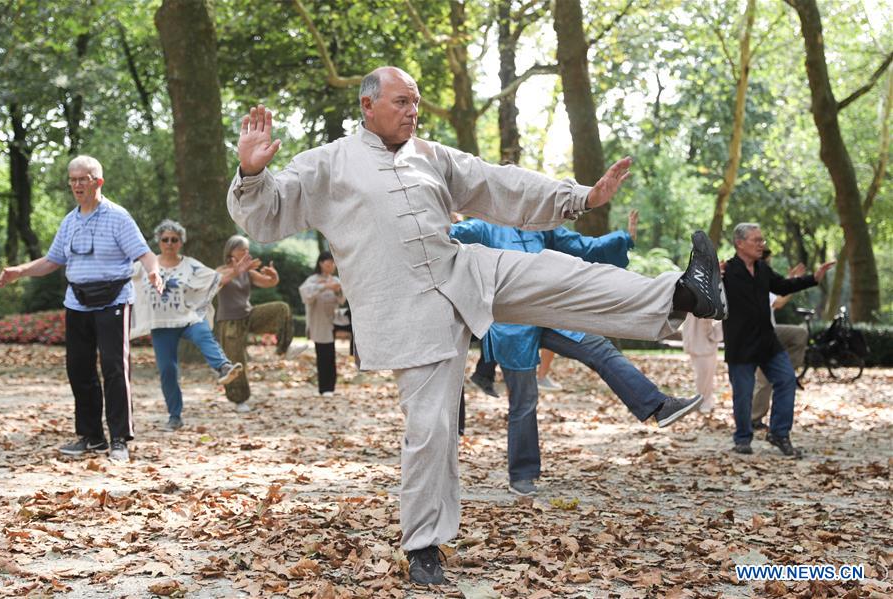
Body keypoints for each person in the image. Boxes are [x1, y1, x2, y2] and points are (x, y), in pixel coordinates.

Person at [226, 66, 725, 585]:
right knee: (432, 429)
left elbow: (500, 184)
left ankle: (685, 294)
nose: (412, 111)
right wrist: (252, 173)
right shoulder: (328, 164)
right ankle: (423, 548)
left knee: (561, 274)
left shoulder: (431, 155)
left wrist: (581, 197)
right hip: (407, 311)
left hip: (462, 269)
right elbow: (266, 217)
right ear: (367, 106)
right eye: (401, 102)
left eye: (416, 102)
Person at [450, 214, 702, 496]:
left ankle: (658, 406)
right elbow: (445, 236)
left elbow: (584, 246)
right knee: (524, 400)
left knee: (600, 349)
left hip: (551, 312)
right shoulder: (483, 228)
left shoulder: (541, 226)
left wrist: (623, 238)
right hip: (513, 326)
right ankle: (522, 474)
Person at [0, 155, 163, 462]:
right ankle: (92, 437)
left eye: (82, 179)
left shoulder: (118, 217)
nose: (76, 185)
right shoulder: (70, 221)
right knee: (79, 368)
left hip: (113, 301)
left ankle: (119, 439)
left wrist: (153, 271)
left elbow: (145, 253)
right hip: (77, 303)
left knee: (114, 367)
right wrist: (20, 270)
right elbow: (52, 261)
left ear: (97, 181)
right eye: (72, 180)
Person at [723, 223, 833, 458]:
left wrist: (813, 278)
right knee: (743, 394)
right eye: (756, 240)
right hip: (740, 344)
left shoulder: (763, 269)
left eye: (762, 240)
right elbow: (705, 295)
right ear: (740, 243)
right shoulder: (726, 271)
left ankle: (779, 433)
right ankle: (742, 438)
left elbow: (783, 286)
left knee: (786, 380)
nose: (762, 244)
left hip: (767, 341)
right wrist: (711, 274)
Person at [130, 220, 244, 431]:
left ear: (181, 242)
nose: (170, 243)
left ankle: (223, 367)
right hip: (161, 325)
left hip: (187, 317)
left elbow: (214, 279)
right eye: (165, 239)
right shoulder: (146, 264)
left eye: (174, 239)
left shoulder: (190, 265)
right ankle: (175, 416)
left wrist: (235, 272)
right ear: (159, 241)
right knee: (167, 371)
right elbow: (123, 277)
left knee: (203, 333)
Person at [213, 235, 305, 413]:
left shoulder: (248, 272)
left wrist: (274, 276)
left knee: (281, 308)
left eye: (248, 250)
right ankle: (239, 400)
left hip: (249, 315)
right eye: (242, 249)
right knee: (236, 362)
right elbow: (218, 281)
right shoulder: (221, 270)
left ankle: (285, 348)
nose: (247, 253)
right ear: (231, 251)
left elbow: (268, 283)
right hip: (229, 321)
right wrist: (236, 270)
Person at [750, 249, 809, 430]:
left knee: (799, 334)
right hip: (759, 334)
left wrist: (790, 281)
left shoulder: (764, 281)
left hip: (770, 332)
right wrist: (793, 281)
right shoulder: (754, 281)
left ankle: (786, 372)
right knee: (763, 380)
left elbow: (778, 297)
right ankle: (752, 419)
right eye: (768, 263)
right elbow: (779, 302)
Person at [298, 251, 346, 396]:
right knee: (323, 354)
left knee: (331, 354)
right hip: (319, 322)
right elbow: (305, 296)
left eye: (333, 263)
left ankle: (330, 387)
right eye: (328, 263)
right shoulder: (312, 280)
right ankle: (324, 387)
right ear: (321, 263)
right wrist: (324, 287)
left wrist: (337, 290)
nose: (331, 266)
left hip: (332, 320)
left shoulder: (336, 280)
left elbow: (342, 300)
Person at [682, 313, 723, 414]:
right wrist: (714, 335)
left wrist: (714, 334)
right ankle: (703, 402)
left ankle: (705, 401)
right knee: (703, 375)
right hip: (700, 342)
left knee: (706, 375)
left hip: (703, 342)